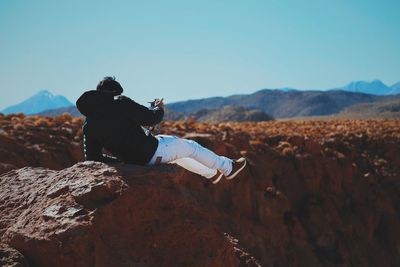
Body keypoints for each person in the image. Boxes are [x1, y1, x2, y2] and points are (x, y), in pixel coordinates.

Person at [76, 76, 247, 184]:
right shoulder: (119, 102)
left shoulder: (89, 125)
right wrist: (159, 108)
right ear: (112, 92)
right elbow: (151, 119)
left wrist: (122, 160)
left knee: (175, 152)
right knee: (190, 147)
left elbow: (92, 158)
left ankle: (210, 174)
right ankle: (228, 168)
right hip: (151, 150)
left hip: (136, 161)